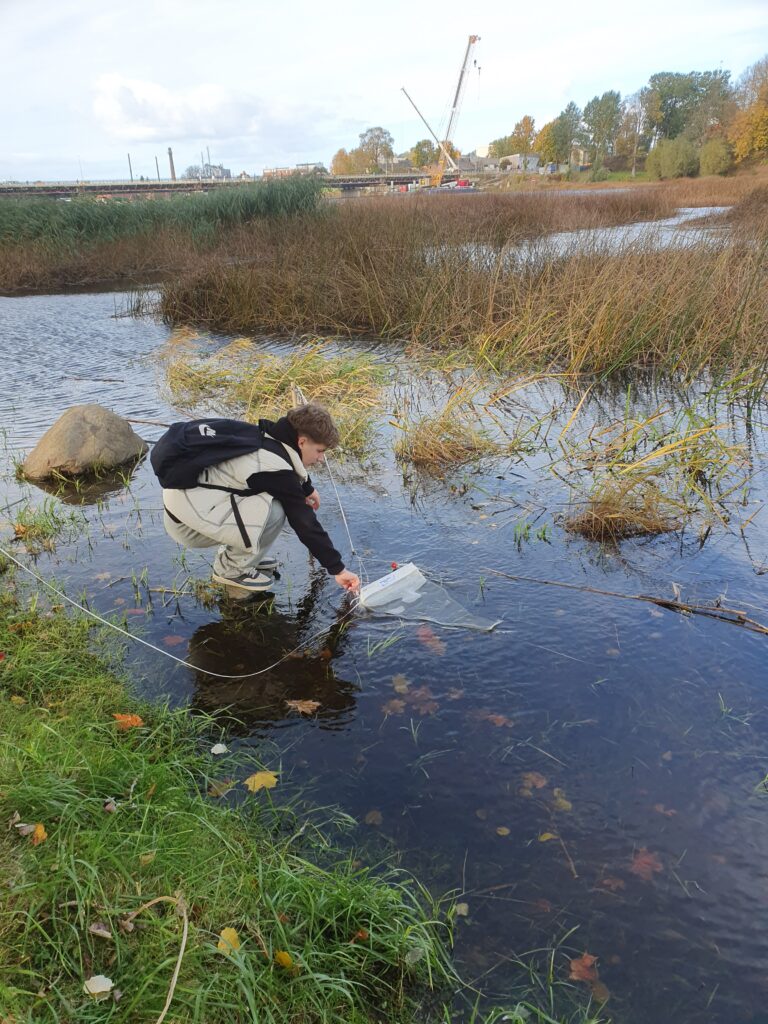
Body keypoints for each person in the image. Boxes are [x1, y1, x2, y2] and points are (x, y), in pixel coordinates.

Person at [161, 403, 360, 595]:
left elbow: (288, 466)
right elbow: (305, 523)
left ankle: (243, 557)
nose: (320, 459)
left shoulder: (267, 436)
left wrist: (307, 488)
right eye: (320, 451)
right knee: (276, 509)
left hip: (182, 506)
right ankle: (231, 570)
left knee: (269, 497)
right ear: (301, 442)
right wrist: (338, 570)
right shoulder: (274, 469)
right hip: (187, 527)